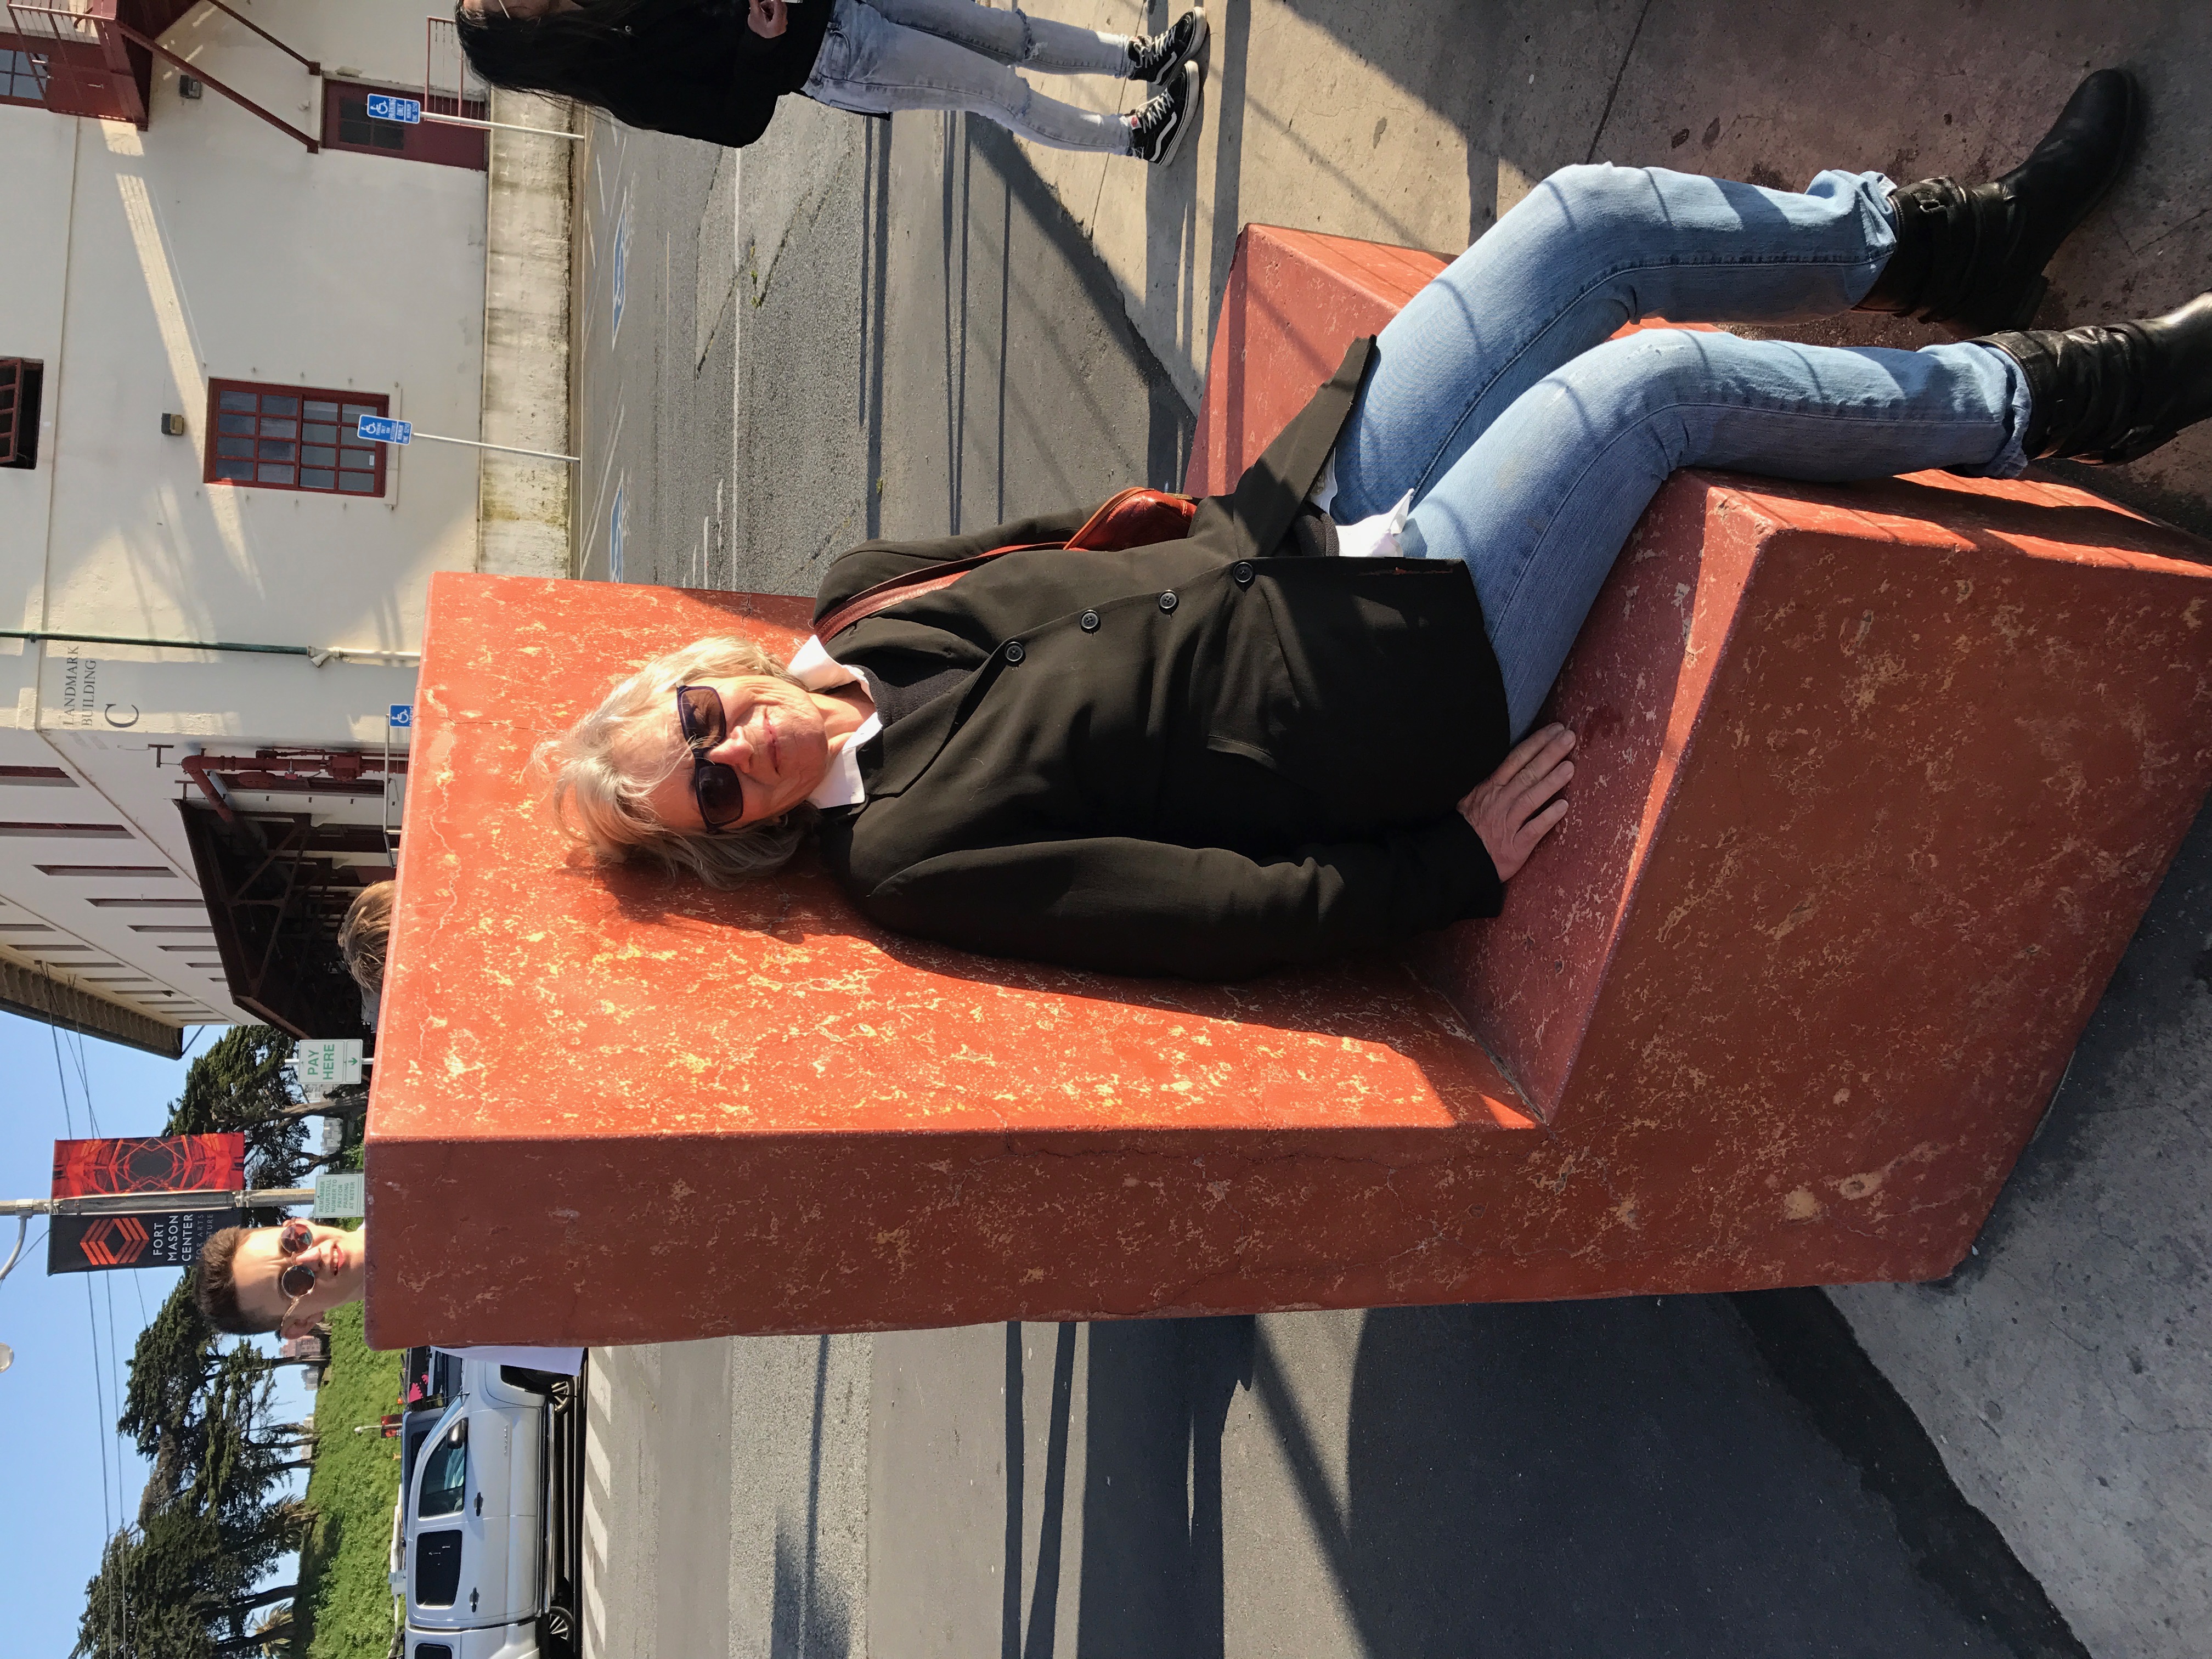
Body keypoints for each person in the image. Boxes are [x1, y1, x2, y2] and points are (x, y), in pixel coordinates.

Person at [540, 70, 2212, 982]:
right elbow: (1189, 907)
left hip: (1302, 506)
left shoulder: (858, 603)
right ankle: (2072, 395)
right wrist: (1447, 867)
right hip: (1394, 680)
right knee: (1654, 393)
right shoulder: (903, 856)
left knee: (1581, 229)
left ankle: (1954, 244)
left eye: (694, 718)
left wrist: (1248, 505)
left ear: (702, 671)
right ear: (727, 836)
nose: (727, 746)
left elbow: (1085, 530)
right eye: (704, 789)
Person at [455, 0, 1209, 165]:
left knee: (1010, 33)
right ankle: (1137, 138)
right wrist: (759, 43)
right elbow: (735, 123)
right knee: (995, 90)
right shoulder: (622, 80)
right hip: (836, 58)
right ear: (525, 36)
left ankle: (1134, 59)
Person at [193, 1220, 584, 1374]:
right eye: (293, 1282)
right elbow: (597, 1329)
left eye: (293, 1239)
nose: (313, 1255)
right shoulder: (451, 1333)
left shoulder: (413, 1158)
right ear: (301, 1324)